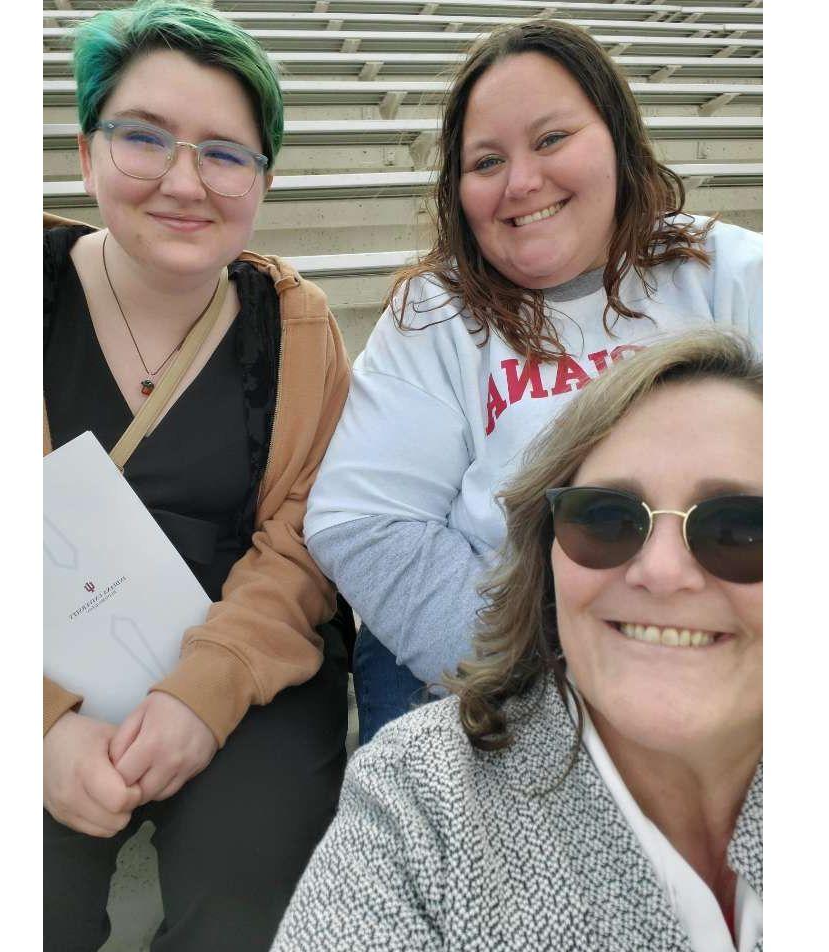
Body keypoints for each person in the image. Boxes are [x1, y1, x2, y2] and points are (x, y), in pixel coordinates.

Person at [303, 18, 763, 745]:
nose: (522, 181)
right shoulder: (433, 315)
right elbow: (363, 522)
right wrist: (546, 670)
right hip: (501, 659)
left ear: (617, 137)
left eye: (552, 140)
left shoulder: (730, 274)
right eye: (486, 161)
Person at [270, 330, 763, 952]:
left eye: (741, 528)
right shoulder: (421, 796)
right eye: (606, 519)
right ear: (546, 557)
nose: (661, 571)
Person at [42, 3, 351, 952]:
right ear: (89, 152)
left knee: (245, 920)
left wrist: (201, 694)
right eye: (144, 139)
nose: (185, 183)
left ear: (263, 180)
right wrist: (39, 724)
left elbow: (304, 534)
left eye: (225, 154)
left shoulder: (295, 324)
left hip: (243, 671)